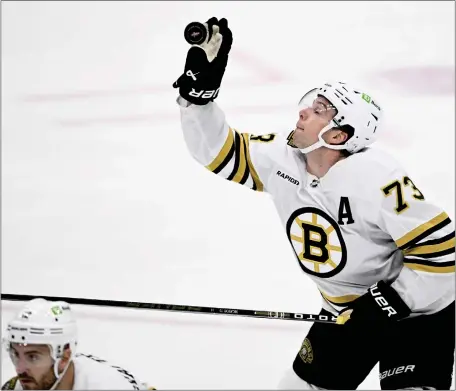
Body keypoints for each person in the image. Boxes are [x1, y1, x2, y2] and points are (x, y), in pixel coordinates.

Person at [172, 17, 455, 390]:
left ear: (339, 134)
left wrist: (384, 305)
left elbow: (442, 254)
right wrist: (198, 99)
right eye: (310, 104)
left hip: (418, 313)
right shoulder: (282, 157)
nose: (303, 112)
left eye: (319, 109)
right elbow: (216, 151)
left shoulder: (376, 177)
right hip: (343, 313)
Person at [2, 298, 155, 390]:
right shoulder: (17, 386)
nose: (19, 368)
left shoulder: (108, 386)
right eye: (15, 354)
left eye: (33, 357)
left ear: (63, 358)